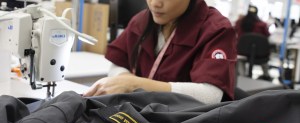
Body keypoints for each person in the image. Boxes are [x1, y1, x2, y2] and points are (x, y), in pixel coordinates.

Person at [83, 0, 237, 104]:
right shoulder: (141, 20)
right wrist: (124, 79)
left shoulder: (216, 29)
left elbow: (210, 96)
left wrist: (133, 84)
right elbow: (118, 64)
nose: (155, 3)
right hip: (141, 116)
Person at [234, 5, 271, 80]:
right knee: (264, 56)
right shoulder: (262, 25)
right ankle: (266, 75)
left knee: (240, 59)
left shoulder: (239, 23)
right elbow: (267, 36)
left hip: (242, 53)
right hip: (260, 54)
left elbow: (234, 32)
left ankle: (242, 77)